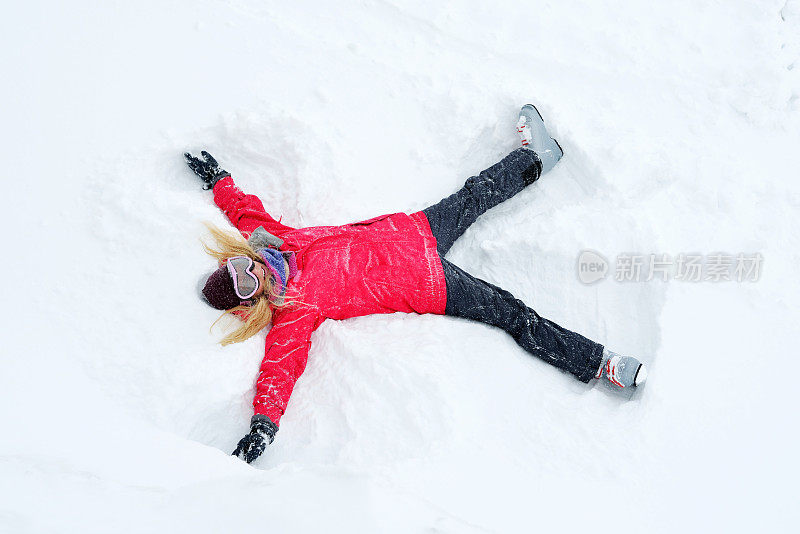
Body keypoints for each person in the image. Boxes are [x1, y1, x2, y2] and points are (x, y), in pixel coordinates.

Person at [185, 104, 647, 464]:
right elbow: (280, 368)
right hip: (429, 283)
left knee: (473, 194)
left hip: (414, 231)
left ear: (239, 258)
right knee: (512, 312)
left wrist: (219, 181)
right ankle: (601, 364)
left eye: (242, 269)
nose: (255, 275)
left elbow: (244, 212)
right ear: (253, 305)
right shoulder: (295, 310)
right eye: (248, 286)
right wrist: (263, 425)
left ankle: (537, 158)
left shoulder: (274, 241)